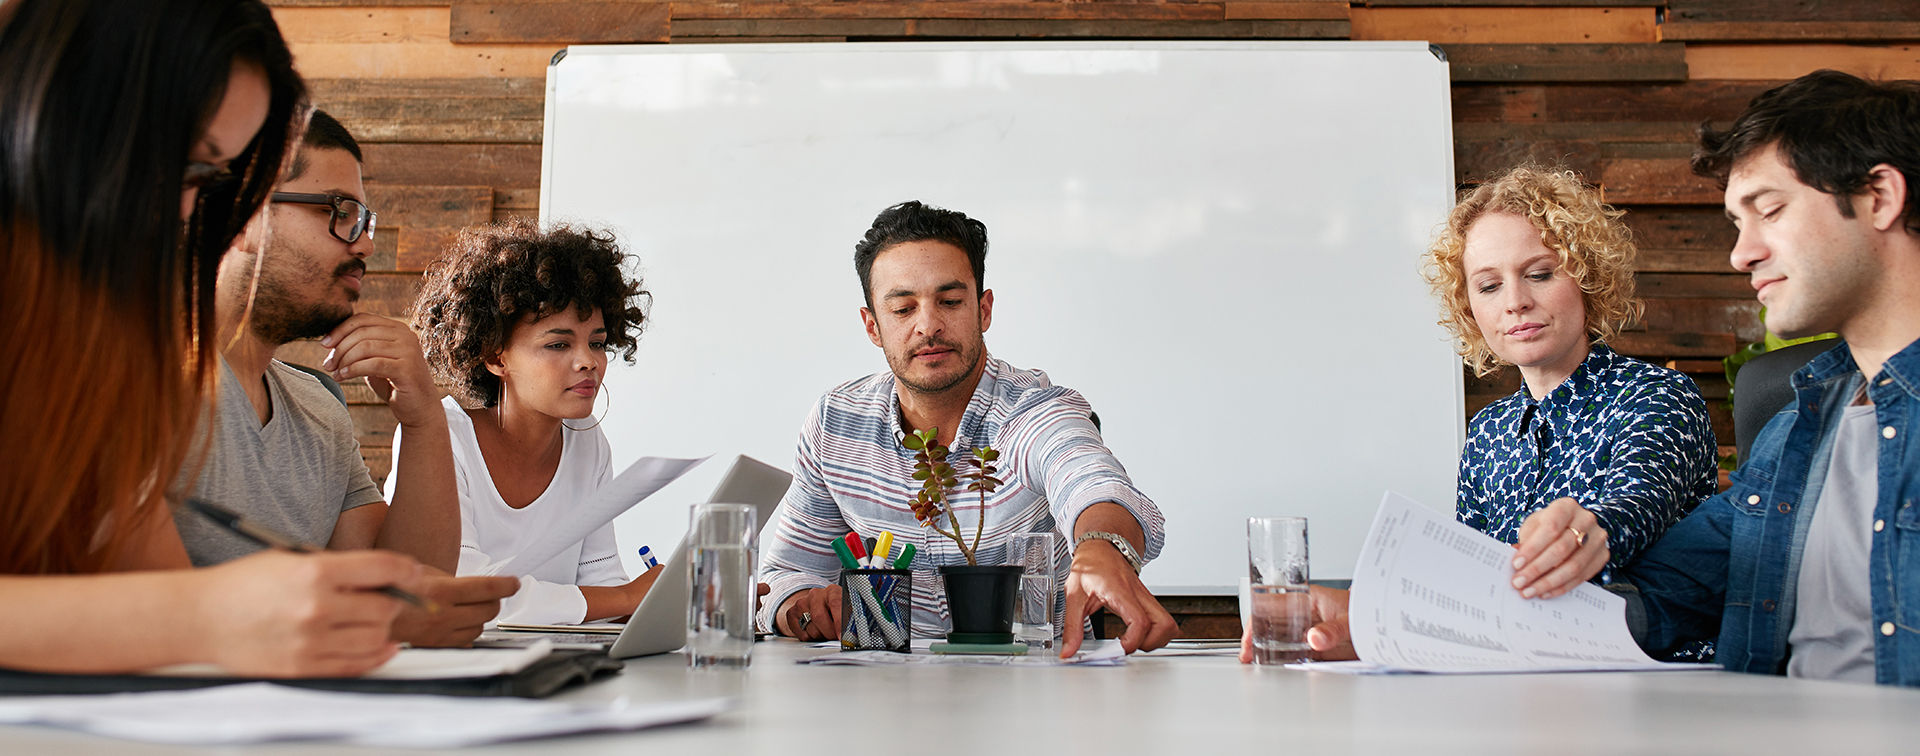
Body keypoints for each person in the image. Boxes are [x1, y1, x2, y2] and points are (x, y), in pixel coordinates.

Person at [0, 0, 423, 676]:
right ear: (64, 106)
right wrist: (208, 616)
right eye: (188, 166)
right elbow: (176, 614)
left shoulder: (100, 343)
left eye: (208, 180)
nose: (190, 212)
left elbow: (140, 592)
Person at [1240, 166, 1721, 664]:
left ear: (1587, 278)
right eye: (1489, 286)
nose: (1515, 302)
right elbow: (1466, 582)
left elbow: (1633, 511)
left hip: (1658, 681)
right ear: (1469, 307)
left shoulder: (1659, 395)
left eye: (1540, 274)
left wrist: (1586, 528)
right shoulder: (1490, 430)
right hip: (1519, 681)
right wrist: (1358, 612)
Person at [1605, 70, 1920, 686]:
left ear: (1879, 196)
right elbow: (1664, 596)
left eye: (1769, 210)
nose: (1741, 253)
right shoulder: (1795, 427)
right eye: (1735, 224)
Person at [759, 200, 1176, 658]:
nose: (929, 325)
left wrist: (1101, 547)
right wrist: (801, 609)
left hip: (1034, 698)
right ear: (873, 326)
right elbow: (786, 574)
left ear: (984, 309)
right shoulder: (836, 423)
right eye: (902, 308)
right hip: (881, 701)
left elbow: (1088, 476)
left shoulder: (1030, 409)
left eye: (951, 302)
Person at [172, 110, 518, 647]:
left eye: (364, 221)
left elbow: (410, 589)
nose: (364, 245)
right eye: (340, 212)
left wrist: (424, 416)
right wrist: (372, 617)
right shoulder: (137, 386)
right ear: (242, 217)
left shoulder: (317, 408)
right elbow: (137, 604)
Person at [404, 219, 662, 625]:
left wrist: (675, 600)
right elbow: (466, 593)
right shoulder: (439, 438)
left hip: (554, 672)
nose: (588, 361)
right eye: (558, 344)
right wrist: (629, 597)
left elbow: (603, 580)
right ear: (495, 357)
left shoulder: (587, 444)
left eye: (596, 342)